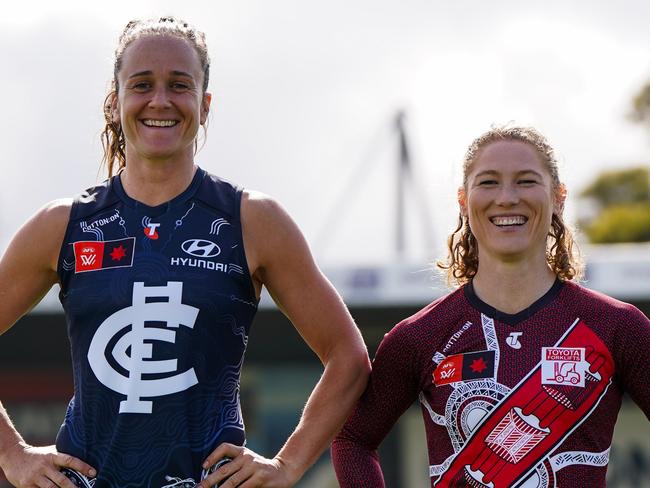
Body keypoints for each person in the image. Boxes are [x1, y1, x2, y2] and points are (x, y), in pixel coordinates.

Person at [0, 17, 370, 488]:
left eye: (179, 85)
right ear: (114, 103)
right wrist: (12, 455)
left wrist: (286, 465)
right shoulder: (64, 225)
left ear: (204, 104)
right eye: (142, 85)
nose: (160, 101)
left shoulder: (253, 220)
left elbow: (349, 357)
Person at [331, 125, 650, 487]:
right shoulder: (420, 336)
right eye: (488, 183)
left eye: (526, 181)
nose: (507, 198)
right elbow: (352, 440)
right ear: (464, 202)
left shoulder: (616, 326)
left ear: (559, 199)